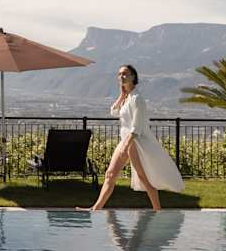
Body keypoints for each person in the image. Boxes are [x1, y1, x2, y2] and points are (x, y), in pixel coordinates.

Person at [77, 65, 184, 211]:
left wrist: (127, 145)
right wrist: (121, 95)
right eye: (119, 74)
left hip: (133, 142)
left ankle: (157, 209)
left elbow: (136, 127)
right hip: (125, 141)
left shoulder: (137, 98)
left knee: (142, 177)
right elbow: (114, 112)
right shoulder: (127, 97)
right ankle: (96, 208)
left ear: (133, 77)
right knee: (110, 174)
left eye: (125, 74)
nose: (121, 76)